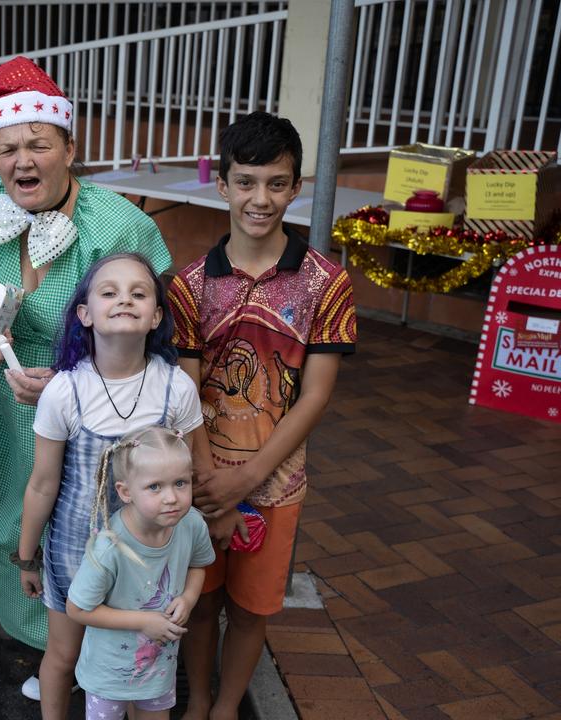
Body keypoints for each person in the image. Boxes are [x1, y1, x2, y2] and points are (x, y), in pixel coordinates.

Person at [0, 55, 173, 699]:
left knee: (78, 532)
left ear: (70, 148)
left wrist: (72, 383)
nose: (23, 160)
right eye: (8, 147)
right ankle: (35, 635)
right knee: (2, 511)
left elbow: (154, 330)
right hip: (11, 401)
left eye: (39, 145)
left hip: (92, 412)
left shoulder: (117, 224)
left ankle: (74, 661)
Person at [169, 112, 356, 720]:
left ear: (296, 187)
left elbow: (315, 396)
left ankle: (226, 708)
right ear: (221, 185)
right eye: (246, 181)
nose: (261, 198)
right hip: (200, 480)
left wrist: (246, 482)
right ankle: (197, 701)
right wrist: (209, 484)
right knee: (200, 602)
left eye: (277, 183)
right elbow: (184, 391)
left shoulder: (326, 283)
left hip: (275, 486)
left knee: (251, 609)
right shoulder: (190, 286)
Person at [18, 254, 204, 719]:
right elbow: (43, 483)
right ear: (84, 313)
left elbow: (192, 470)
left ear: (156, 315)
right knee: (62, 655)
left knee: (140, 650)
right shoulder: (65, 390)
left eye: (139, 293)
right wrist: (25, 555)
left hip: (149, 553)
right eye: (109, 292)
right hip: (74, 546)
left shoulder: (175, 388)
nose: (124, 299)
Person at [66, 425, 214, 720]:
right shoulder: (110, 547)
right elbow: (78, 608)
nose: (171, 497)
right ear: (125, 492)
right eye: (155, 487)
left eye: (181, 483)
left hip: (159, 670)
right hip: (107, 674)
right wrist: (144, 621)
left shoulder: (192, 525)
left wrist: (188, 597)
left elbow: (198, 564)